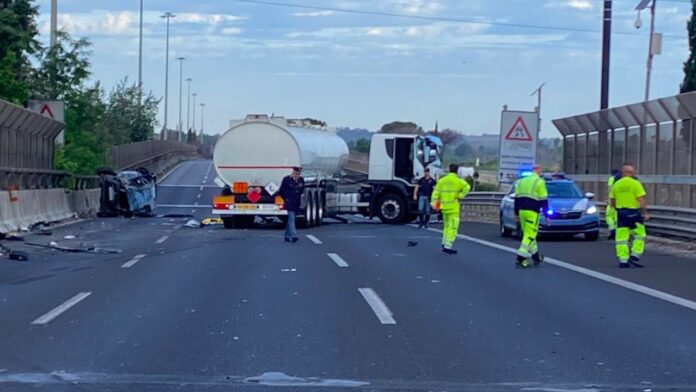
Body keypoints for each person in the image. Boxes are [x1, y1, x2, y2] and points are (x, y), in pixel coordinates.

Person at [609, 163, 649, 268]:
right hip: (634, 213)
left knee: (621, 238)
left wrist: (616, 208)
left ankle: (623, 261)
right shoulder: (635, 183)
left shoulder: (616, 184)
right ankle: (635, 255)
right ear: (630, 172)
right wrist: (645, 212)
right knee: (640, 235)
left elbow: (612, 200)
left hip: (621, 213)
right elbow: (641, 199)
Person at [430, 164, 471, 254]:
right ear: (457, 171)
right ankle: (448, 246)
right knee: (452, 227)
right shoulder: (458, 181)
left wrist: (434, 205)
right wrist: (460, 196)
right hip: (453, 208)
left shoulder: (442, 181)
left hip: (444, 208)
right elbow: (467, 187)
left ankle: (444, 243)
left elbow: (435, 194)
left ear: (449, 170)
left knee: (446, 227)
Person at [514, 165, 548, 268]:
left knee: (528, 234)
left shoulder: (521, 182)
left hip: (522, 212)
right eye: (540, 169)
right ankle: (521, 258)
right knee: (529, 235)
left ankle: (536, 256)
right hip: (532, 212)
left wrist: (516, 213)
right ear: (537, 171)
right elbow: (543, 200)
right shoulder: (540, 182)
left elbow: (517, 199)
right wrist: (547, 215)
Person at [278, 166, 305, 243]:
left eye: (298, 174)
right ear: (293, 173)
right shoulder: (286, 179)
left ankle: (286, 235)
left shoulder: (301, 180)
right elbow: (281, 191)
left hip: (296, 202)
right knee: (292, 218)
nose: (297, 175)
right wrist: (286, 199)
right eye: (296, 173)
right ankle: (293, 236)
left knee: (291, 219)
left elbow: (301, 190)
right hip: (289, 202)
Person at [605, 169, 620, 240]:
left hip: (612, 200)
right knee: (617, 217)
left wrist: (608, 198)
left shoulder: (611, 179)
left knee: (609, 216)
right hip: (620, 201)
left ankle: (612, 230)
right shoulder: (623, 179)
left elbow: (609, 189)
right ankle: (617, 231)